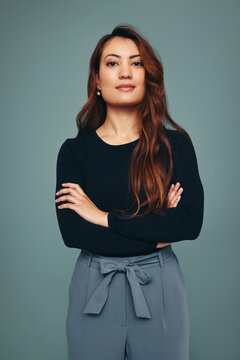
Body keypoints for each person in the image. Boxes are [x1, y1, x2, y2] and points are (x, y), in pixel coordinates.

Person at [54, 24, 204, 360]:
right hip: (93, 285)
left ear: (148, 76)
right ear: (96, 79)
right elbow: (73, 232)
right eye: (112, 63)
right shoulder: (73, 152)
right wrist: (157, 226)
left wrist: (102, 216)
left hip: (160, 285)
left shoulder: (175, 146)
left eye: (136, 63)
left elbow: (188, 224)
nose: (125, 72)